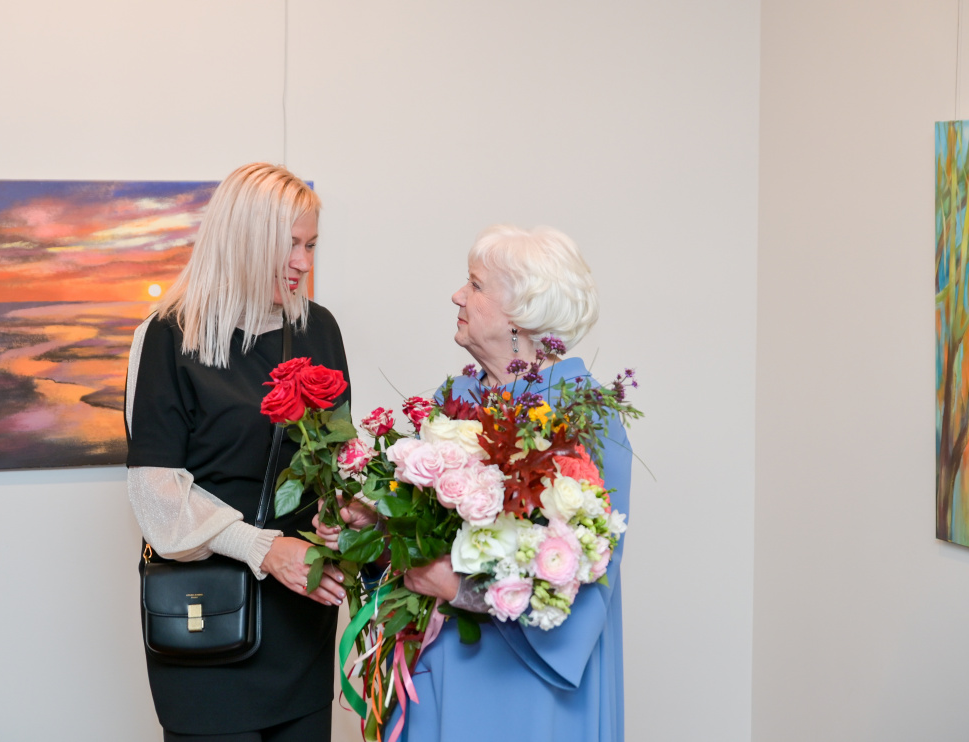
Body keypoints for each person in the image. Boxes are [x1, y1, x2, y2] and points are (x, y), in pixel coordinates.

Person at [124, 162, 350, 742]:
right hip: (208, 618)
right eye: (290, 245)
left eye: (311, 245)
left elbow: (337, 458)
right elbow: (156, 497)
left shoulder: (319, 329)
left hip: (301, 619)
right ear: (244, 240)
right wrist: (264, 549)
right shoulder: (169, 336)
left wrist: (343, 513)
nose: (303, 262)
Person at [394, 224, 632, 742]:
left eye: (476, 285)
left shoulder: (585, 412)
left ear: (521, 314)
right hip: (441, 661)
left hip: (528, 685)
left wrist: (461, 589)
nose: (457, 295)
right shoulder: (453, 399)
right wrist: (369, 523)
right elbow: (415, 530)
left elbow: (586, 572)